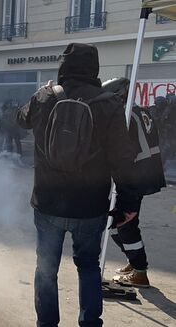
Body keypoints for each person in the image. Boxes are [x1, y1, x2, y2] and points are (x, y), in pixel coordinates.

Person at [17, 43, 140, 327]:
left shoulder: (46, 97)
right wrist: (127, 205)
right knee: (88, 266)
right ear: (94, 68)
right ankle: (90, 323)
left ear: (63, 67)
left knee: (46, 270)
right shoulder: (108, 103)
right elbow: (123, 159)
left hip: (48, 203)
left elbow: (20, 120)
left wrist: (40, 95)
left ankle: (46, 324)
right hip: (91, 206)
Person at [102, 77, 166, 287]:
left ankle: (140, 271)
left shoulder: (125, 115)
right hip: (146, 173)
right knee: (122, 222)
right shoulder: (143, 110)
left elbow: (122, 153)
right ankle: (133, 260)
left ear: (118, 96)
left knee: (123, 223)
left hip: (132, 177)